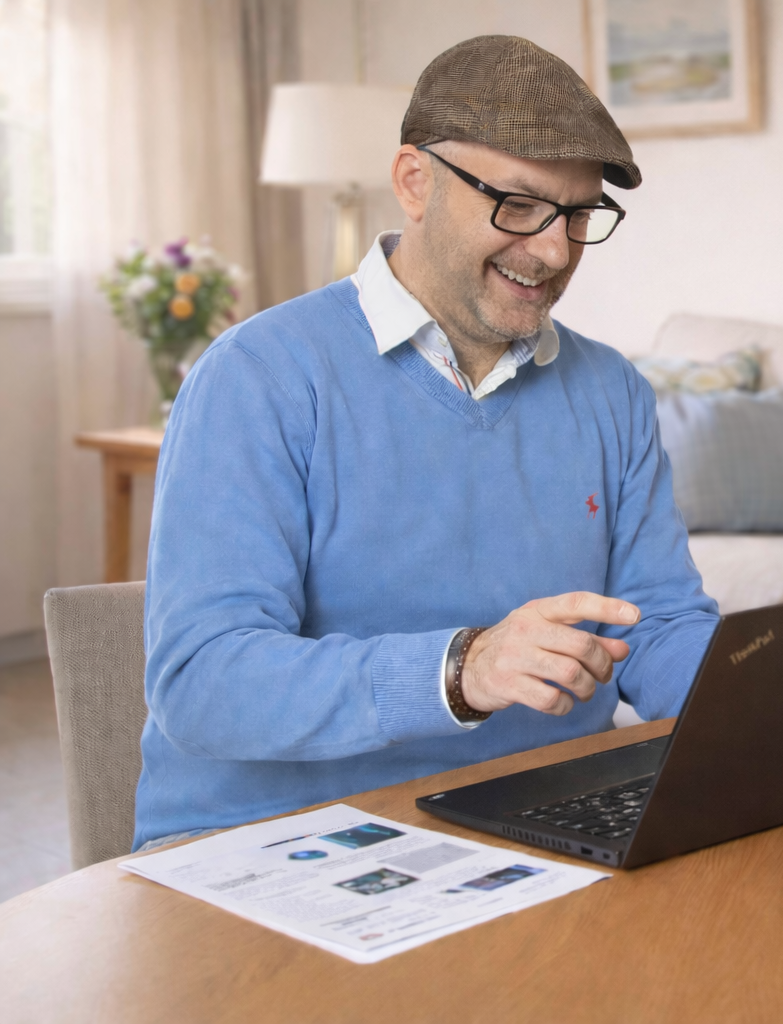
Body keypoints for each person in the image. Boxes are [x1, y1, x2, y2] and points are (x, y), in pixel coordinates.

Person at [133, 36, 718, 851]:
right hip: (285, 839)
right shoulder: (258, 377)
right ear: (415, 182)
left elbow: (655, 627)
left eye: (580, 214)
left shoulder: (610, 389)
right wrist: (463, 670)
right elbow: (203, 682)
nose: (553, 250)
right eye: (517, 204)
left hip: (539, 823)